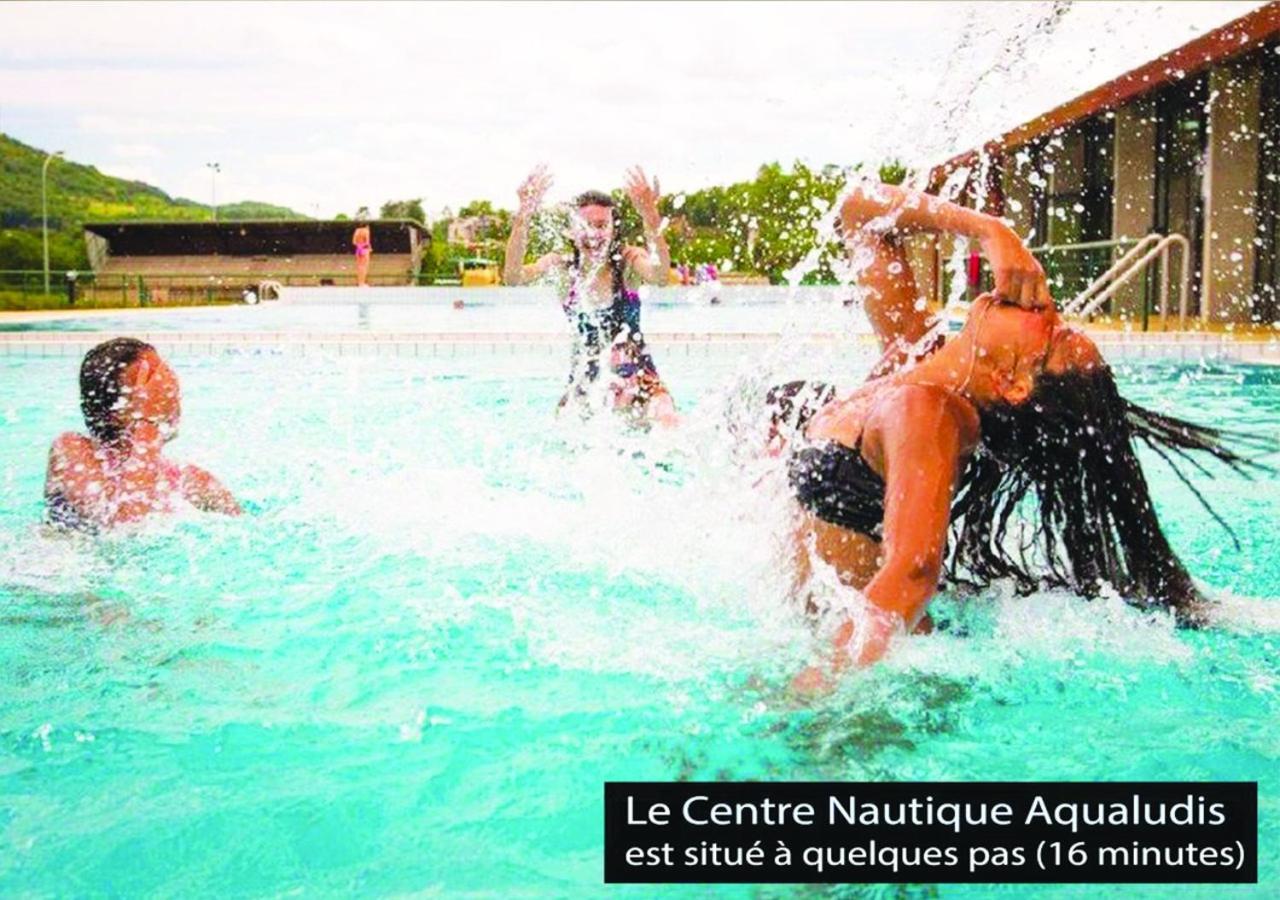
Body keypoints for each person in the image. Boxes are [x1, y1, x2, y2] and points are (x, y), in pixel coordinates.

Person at [780, 180, 1263, 682]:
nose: (1048, 310)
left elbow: (913, 572)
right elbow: (858, 213)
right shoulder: (913, 357)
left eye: (1052, 335)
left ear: (1014, 384)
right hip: (853, 654)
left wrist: (805, 698)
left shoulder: (927, 412)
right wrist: (985, 228)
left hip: (869, 683)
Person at [503, 165, 674, 425]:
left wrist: (651, 219)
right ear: (571, 231)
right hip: (587, 381)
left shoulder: (628, 263)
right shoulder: (563, 269)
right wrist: (523, 217)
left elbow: (661, 276)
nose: (593, 234)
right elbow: (513, 277)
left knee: (667, 419)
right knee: (564, 433)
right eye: (585, 226)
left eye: (601, 225)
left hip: (638, 377)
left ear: (613, 229)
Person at [45, 338, 242, 530]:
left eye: (163, 382)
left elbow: (244, 526)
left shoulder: (184, 478)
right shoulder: (71, 450)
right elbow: (123, 527)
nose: (164, 395)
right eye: (149, 387)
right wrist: (149, 421)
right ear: (110, 413)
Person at [352, 219, 372, 287]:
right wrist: (369, 248)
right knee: (364, 266)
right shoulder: (366, 231)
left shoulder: (357, 231)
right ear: (367, 225)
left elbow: (354, 242)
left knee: (359, 266)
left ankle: (359, 282)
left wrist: (359, 246)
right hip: (364, 250)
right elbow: (367, 242)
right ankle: (363, 283)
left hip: (358, 249)